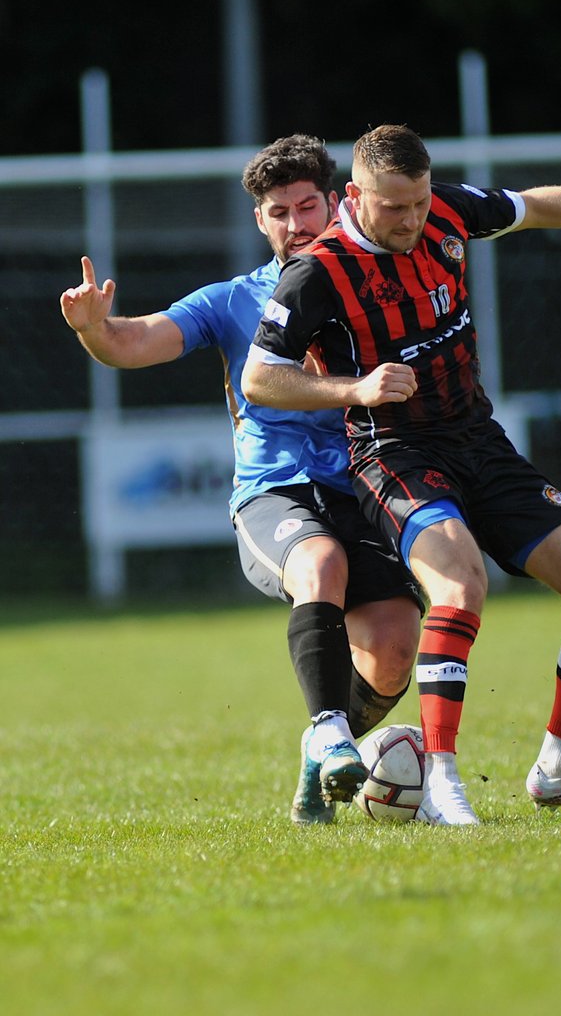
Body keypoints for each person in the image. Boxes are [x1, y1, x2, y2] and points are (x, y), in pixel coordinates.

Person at [242, 123, 561, 826]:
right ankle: (440, 781)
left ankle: (560, 769)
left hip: (480, 442)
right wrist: (354, 389)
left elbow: (534, 206)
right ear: (355, 196)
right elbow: (260, 377)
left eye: (418, 202)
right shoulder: (318, 270)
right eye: (392, 207)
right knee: (461, 587)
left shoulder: (447, 212)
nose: (410, 220)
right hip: (395, 454)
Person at [59, 133, 423, 825]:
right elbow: (135, 341)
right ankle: (329, 731)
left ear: (337, 203)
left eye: (307, 206)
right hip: (275, 495)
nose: (296, 225)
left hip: (365, 490)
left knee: (395, 647)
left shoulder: (383, 282)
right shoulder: (234, 300)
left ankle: (323, 748)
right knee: (321, 562)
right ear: (261, 221)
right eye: (279, 212)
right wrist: (95, 330)